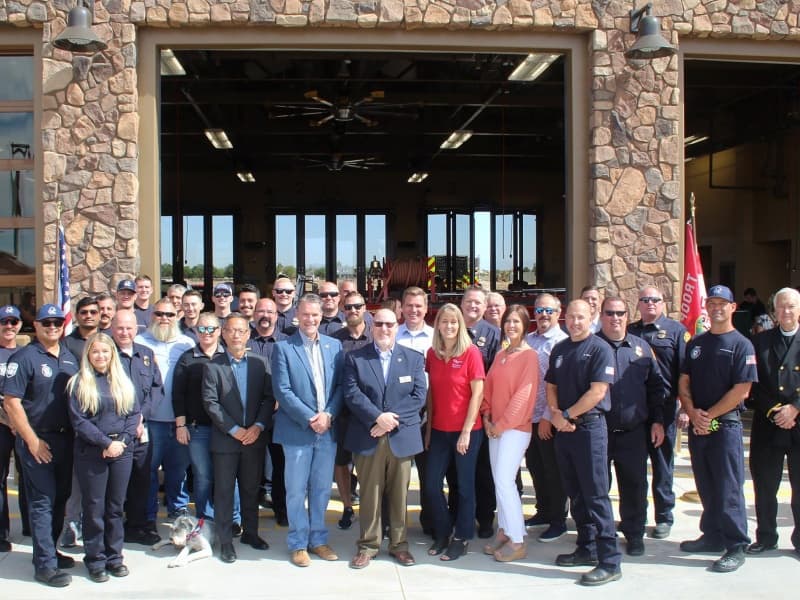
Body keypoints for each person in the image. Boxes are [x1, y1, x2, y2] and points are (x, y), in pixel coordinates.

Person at [679, 284, 757, 573]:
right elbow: (684, 381)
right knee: (706, 485)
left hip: (725, 426)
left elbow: (742, 390)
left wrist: (707, 416)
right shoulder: (696, 343)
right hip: (699, 425)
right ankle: (712, 535)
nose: (716, 308)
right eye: (711, 303)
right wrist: (691, 412)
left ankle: (736, 544)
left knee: (728, 487)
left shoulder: (742, 344)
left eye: (722, 303)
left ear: (732, 307)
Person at [546, 299, 621, 586]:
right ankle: (586, 548)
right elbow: (550, 386)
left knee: (596, 495)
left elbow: (598, 392)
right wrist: (556, 415)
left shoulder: (600, 349)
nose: (575, 322)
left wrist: (565, 415)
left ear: (591, 318)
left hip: (589, 430)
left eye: (581, 317)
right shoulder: (561, 349)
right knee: (575, 493)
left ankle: (610, 560)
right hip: (564, 430)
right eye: (571, 317)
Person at [343, 308, 426, 569]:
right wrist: (377, 418)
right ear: (371, 326)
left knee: (399, 495)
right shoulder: (355, 358)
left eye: (390, 324)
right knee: (370, 494)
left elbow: (418, 396)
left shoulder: (412, 358)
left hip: (400, 436)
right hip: (369, 435)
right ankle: (368, 545)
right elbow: (352, 393)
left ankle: (399, 545)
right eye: (379, 324)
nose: (384, 329)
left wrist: (388, 420)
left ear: (397, 326)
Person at [3, 304, 79, 587]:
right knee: (42, 502)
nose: (52, 327)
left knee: (60, 497)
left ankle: (50, 551)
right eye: (46, 323)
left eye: (57, 323)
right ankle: (44, 565)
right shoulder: (24, 358)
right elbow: (11, 402)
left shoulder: (69, 358)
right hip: (37, 440)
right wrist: (32, 441)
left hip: (66, 440)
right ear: (35, 325)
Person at [271, 293, 344, 567]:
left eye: (315, 315)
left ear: (321, 316)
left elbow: (339, 387)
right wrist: (310, 417)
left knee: (322, 489)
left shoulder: (334, 346)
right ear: (296, 316)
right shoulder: (283, 348)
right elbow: (283, 390)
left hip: (327, 430)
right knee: (296, 489)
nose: (311, 319)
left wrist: (329, 415)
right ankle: (298, 543)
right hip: (298, 431)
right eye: (305, 314)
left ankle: (319, 540)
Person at [596, 297, 666, 557]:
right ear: (602, 316)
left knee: (635, 486)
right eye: (610, 313)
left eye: (620, 313)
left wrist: (657, 420)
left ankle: (634, 533)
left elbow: (656, 388)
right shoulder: (591, 346)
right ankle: (599, 534)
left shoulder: (642, 348)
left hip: (633, 432)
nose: (615, 318)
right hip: (598, 431)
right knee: (597, 488)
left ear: (627, 315)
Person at [67, 333, 139, 582]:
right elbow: (79, 421)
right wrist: (106, 443)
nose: (100, 356)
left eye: (105, 351)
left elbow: (133, 415)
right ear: (88, 354)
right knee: (94, 509)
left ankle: (114, 557)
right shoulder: (79, 382)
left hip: (121, 451)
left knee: (115, 508)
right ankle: (95, 560)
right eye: (95, 351)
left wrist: (122, 443)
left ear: (112, 354)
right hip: (92, 452)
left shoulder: (123, 381)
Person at [203, 313, 274, 563]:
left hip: (254, 439)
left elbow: (269, 398)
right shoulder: (213, 365)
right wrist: (234, 429)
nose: (236, 335)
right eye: (231, 330)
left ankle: (251, 534)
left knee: (250, 489)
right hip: (226, 441)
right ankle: (225, 541)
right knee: (223, 491)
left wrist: (258, 426)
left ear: (248, 334)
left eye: (241, 331)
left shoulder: (260, 363)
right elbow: (210, 403)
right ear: (223, 334)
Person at [424, 303, 485, 561]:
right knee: (430, 486)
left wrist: (467, 431)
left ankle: (462, 537)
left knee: (464, 487)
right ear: (438, 325)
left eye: (453, 322)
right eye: (444, 322)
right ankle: (443, 531)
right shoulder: (432, 354)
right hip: (438, 430)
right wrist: (428, 430)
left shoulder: (471, 353)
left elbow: (478, 393)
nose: (448, 326)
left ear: (460, 325)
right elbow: (432, 394)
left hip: (466, 431)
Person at [627, 285, 689, 539]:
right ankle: (636, 516)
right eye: (645, 300)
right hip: (635, 411)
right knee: (634, 469)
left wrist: (685, 406)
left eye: (655, 299)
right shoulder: (630, 331)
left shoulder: (677, 332)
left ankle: (664, 516)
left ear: (663, 303)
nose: (650, 303)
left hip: (663, 409)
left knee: (662, 465)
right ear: (638, 304)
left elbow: (686, 373)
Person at [481, 304, 538, 563]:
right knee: (498, 481)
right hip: (495, 428)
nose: (511, 326)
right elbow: (489, 387)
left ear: (525, 325)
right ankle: (504, 529)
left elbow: (523, 398)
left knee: (505, 482)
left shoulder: (529, 356)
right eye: (508, 321)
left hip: (514, 430)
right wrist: (487, 416)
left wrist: (500, 425)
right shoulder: (503, 354)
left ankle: (517, 539)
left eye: (517, 321)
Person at [747, 286, 800, 557]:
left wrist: (795, 409)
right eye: (781, 307)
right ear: (774, 311)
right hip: (768, 425)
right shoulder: (760, 342)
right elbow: (752, 384)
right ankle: (766, 536)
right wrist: (775, 411)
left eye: (791, 306)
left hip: (798, 424)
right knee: (765, 485)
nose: (786, 312)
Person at [135, 298, 195, 525]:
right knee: (148, 469)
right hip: (151, 421)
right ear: (152, 315)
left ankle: (178, 509)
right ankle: (148, 513)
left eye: (169, 315)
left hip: (179, 420)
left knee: (178, 469)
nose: (164, 319)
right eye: (159, 314)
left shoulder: (187, 343)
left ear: (177, 316)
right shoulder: (140, 342)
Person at [173, 313, 233, 529]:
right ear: (196, 331)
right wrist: (181, 425)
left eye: (211, 329)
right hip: (198, 429)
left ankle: (232, 519)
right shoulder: (187, 358)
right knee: (203, 476)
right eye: (202, 329)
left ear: (219, 331)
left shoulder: (228, 356)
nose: (206, 333)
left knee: (228, 476)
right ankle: (205, 520)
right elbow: (177, 394)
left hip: (226, 429)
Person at [112, 309, 163, 547]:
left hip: (142, 431)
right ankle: (112, 531)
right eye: (120, 327)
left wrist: (142, 417)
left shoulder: (146, 354)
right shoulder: (105, 353)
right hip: (114, 432)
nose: (124, 332)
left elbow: (156, 389)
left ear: (136, 329)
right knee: (115, 485)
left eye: (129, 328)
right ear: (113, 328)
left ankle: (136, 526)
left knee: (142, 479)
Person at [524, 293, 569, 542]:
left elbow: (559, 385)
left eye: (549, 311)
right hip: (527, 419)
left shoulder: (562, 342)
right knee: (535, 467)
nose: (543, 315)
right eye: (540, 310)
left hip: (548, 418)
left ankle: (558, 520)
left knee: (553, 471)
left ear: (558, 312)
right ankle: (542, 512)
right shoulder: (528, 339)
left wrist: (546, 416)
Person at [60, 295, 102, 548]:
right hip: (77, 421)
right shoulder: (66, 344)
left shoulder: (106, 341)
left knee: (99, 482)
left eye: (93, 312)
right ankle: (72, 524)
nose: (88, 315)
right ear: (76, 315)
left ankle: (94, 525)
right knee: (76, 480)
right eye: (84, 312)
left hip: (106, 421)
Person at [460, 286, 499, 538]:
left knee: (483, 470)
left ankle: (485, 518)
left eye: (478, 303)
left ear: (485, 307)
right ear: (461, 303)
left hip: (482, 414)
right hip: (454, 413)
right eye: (469, 301)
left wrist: (488, 412)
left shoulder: (494, 334)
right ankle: (459, 515)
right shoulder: (451, 328)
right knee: (456, 471)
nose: (473, 306)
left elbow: (497, 377)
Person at [332, 291, 373, 530]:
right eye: (348, 307)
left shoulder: (375, 337)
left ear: (365, 308)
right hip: (343, 413)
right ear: (342, 309)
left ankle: (370, 508)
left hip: (369, 415)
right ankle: (347, 507)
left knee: (368, 465)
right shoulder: (335, 340)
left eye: (357, 306)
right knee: (341, 463)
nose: (353, 310)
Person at [248, 298, 287, 526]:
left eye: (270, 311)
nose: (265, 315)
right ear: (254, 314)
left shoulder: (287, 342)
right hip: (249, 417)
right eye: (260, 311)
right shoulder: (244, 339)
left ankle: (281, 510)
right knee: (250, 469)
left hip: (279, 416)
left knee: (281, 468)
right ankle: (248, 513)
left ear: (277, 315)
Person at [0, 305, 23, 552]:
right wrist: (8, 420)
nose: (9, 326)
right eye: (4, 322)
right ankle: (1, 534)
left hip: (22, 425)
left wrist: (19, 422)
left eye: (13, 322)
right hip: (2, 425)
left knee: (28, 479)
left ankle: (29, 526)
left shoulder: (25, 354)